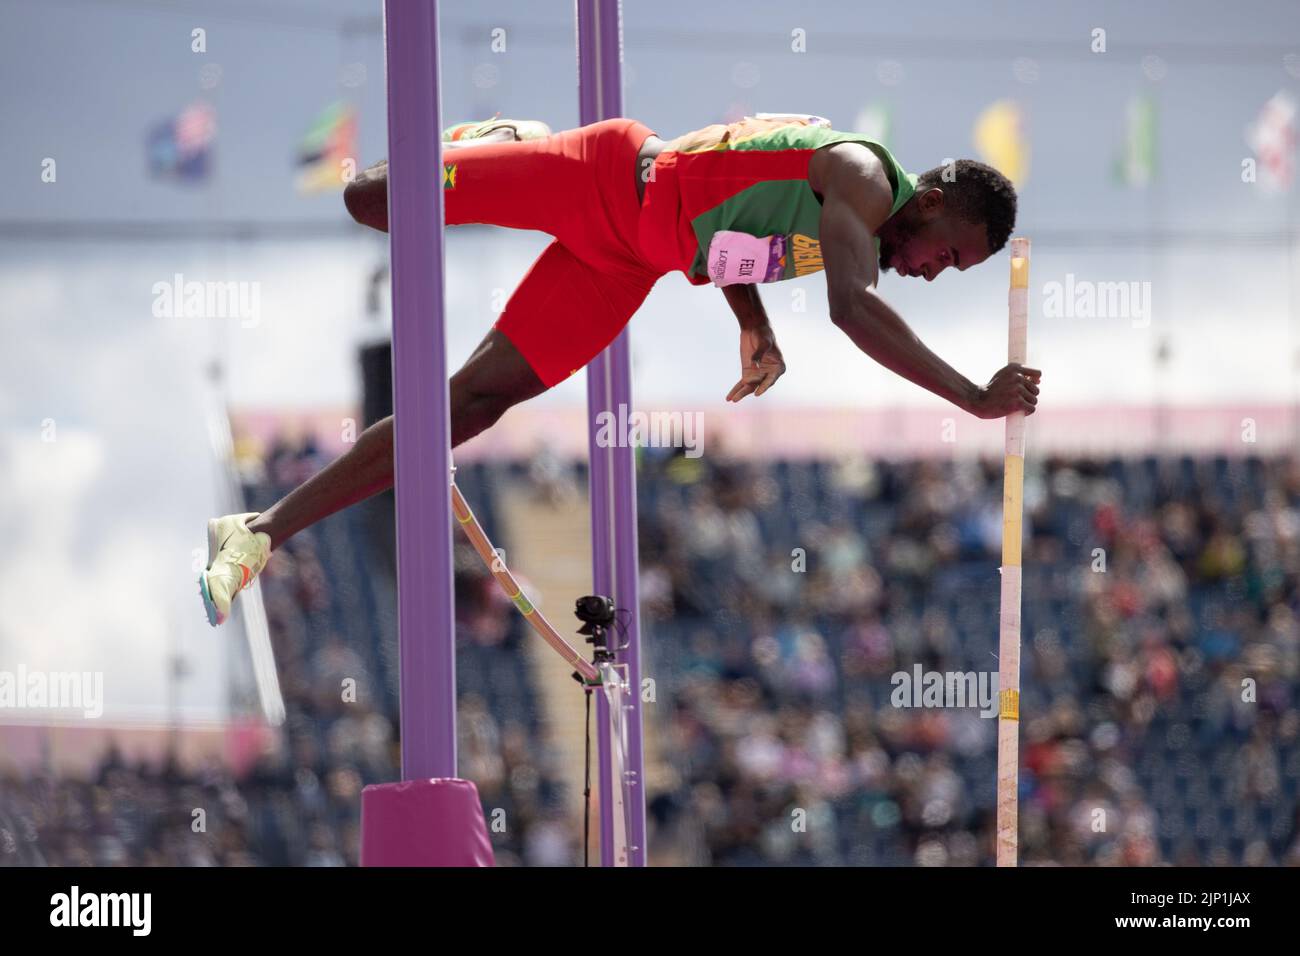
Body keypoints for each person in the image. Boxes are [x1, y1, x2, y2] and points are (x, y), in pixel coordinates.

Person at [199, 114, 1042, 625]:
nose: (932, 273)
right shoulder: (861, 179)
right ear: (928, 203)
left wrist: (752, 325)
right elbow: (851, 308)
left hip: (625, 264)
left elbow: (731, 238)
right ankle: (502, 140)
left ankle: (258, 531)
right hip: (602, 178)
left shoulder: (846, 225)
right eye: (947, 257)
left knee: (472, 407)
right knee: (374, 200)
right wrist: (971, 395)